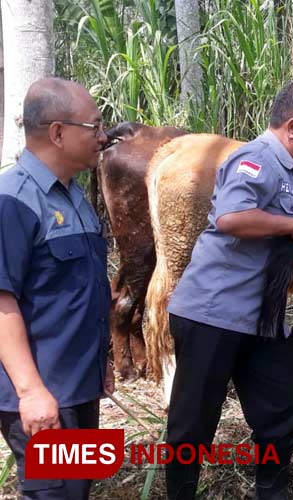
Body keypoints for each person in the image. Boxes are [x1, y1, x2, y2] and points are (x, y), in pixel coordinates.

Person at [164, 81, 293, 500]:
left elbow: (286, 200)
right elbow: (232, 217)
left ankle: (271, 492)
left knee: (283, 407)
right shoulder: (253, 159)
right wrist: (292, 225)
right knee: (193, 423)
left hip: (261, 317)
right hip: (212, 314)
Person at [0, 77, 114, 499]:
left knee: (77, 490)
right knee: (55, 495)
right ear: (58, 133)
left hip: (78, 386)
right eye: (95, 127)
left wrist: (100, 362)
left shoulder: (73, 197)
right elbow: (1, 302)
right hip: (44, 394)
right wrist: (31, 393)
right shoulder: (12, 200)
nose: (103, 137)